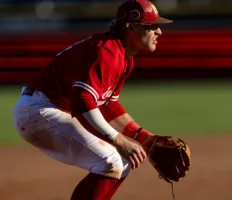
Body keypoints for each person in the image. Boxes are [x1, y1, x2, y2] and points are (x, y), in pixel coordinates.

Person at [12, 0, 173, 199]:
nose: (159, 32)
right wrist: (118, 139)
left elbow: (107, 104)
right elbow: (83, 102)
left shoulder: (124, 57)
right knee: (111, 161)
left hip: (50, 109)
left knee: (119, 163)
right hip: (40, 110)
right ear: (131, 27)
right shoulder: (106, 52)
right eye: (152, 26)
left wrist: (144, 137)